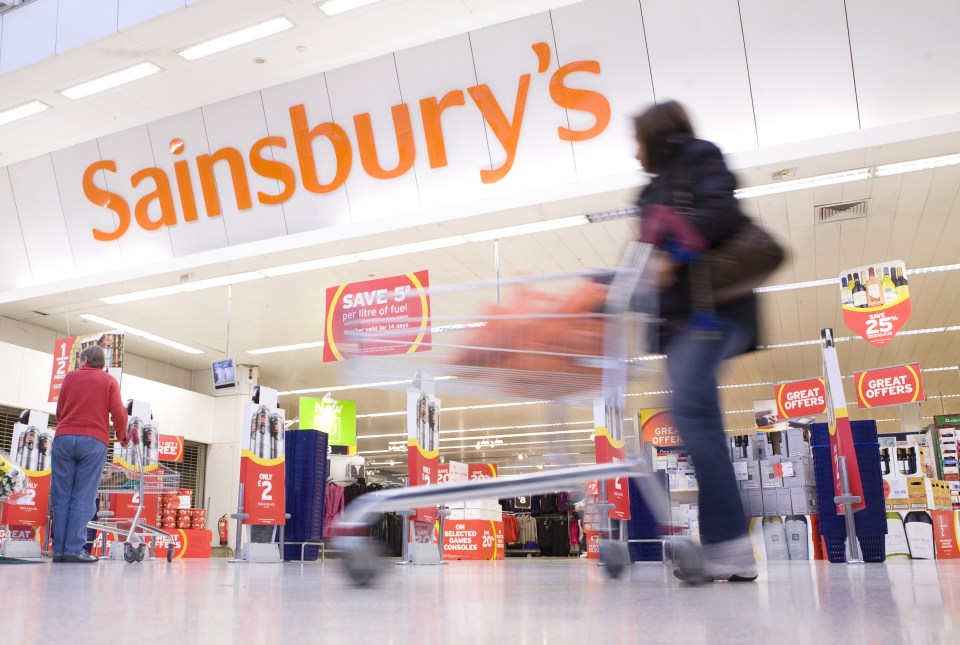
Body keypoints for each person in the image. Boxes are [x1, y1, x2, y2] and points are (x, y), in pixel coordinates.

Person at [634, 100, 759, 583]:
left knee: (688, 412)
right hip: (682, 324)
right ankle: (730, 550)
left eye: (637, 139)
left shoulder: (698, 158)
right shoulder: (648, 191)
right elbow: (643, 254)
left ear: (655, 135)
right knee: (698, 420)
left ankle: (729, 546)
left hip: (715, 312)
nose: (634, 151)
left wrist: (673, 254)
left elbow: (721, 213)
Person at [51, 345, 129, 563]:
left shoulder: (69, 378)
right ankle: (74, 550)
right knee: (84, 496)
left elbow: (60, 410)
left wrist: (67, 425)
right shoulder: (108, 381)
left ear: (84, 359)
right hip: (94, 441)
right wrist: (122, 436)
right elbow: (119, 414)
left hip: (64, 438)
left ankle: (59, 550)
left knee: (61, 496)